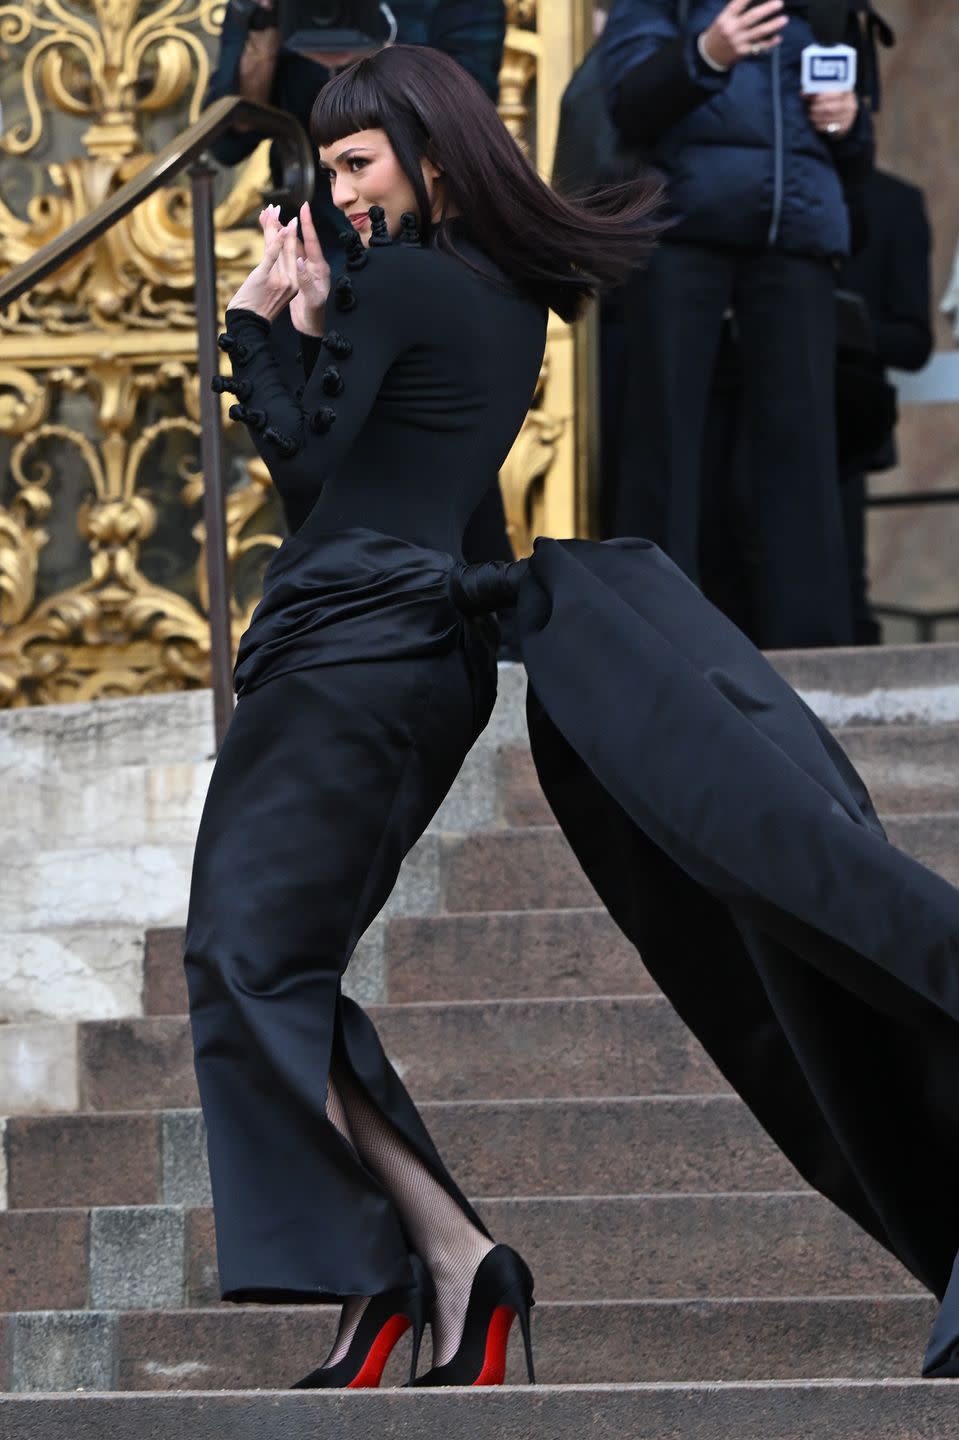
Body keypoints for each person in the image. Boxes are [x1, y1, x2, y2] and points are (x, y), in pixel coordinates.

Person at [188, 42, 959, 1391]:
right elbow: (346, 476)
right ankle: (439, 1266)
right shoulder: (487, 296)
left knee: (245, 964)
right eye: (327, 167)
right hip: (384, 650)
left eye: (358, 163)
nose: (337, 192)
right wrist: (306, 325)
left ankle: (422, 1261)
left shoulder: (414, 282)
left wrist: (264, 321)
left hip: (353, 652)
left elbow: (308, 473)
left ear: (431, 158)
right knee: (259, 969)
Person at [601, 0, 873, 648]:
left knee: (802, 443)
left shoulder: (829, 9)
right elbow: (625, 104)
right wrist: (702, 56)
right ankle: (654, 635)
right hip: (681, 229)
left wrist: (850, 122)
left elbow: (854, 154)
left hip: (796, 232)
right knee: (663, 435)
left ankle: (814, 648)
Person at [837, 163, 933, 643]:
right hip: (737, 416)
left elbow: (916, 342)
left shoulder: (893, 202)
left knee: (841, 575)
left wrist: (836, 324)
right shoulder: (753, 201)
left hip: (844, 429)